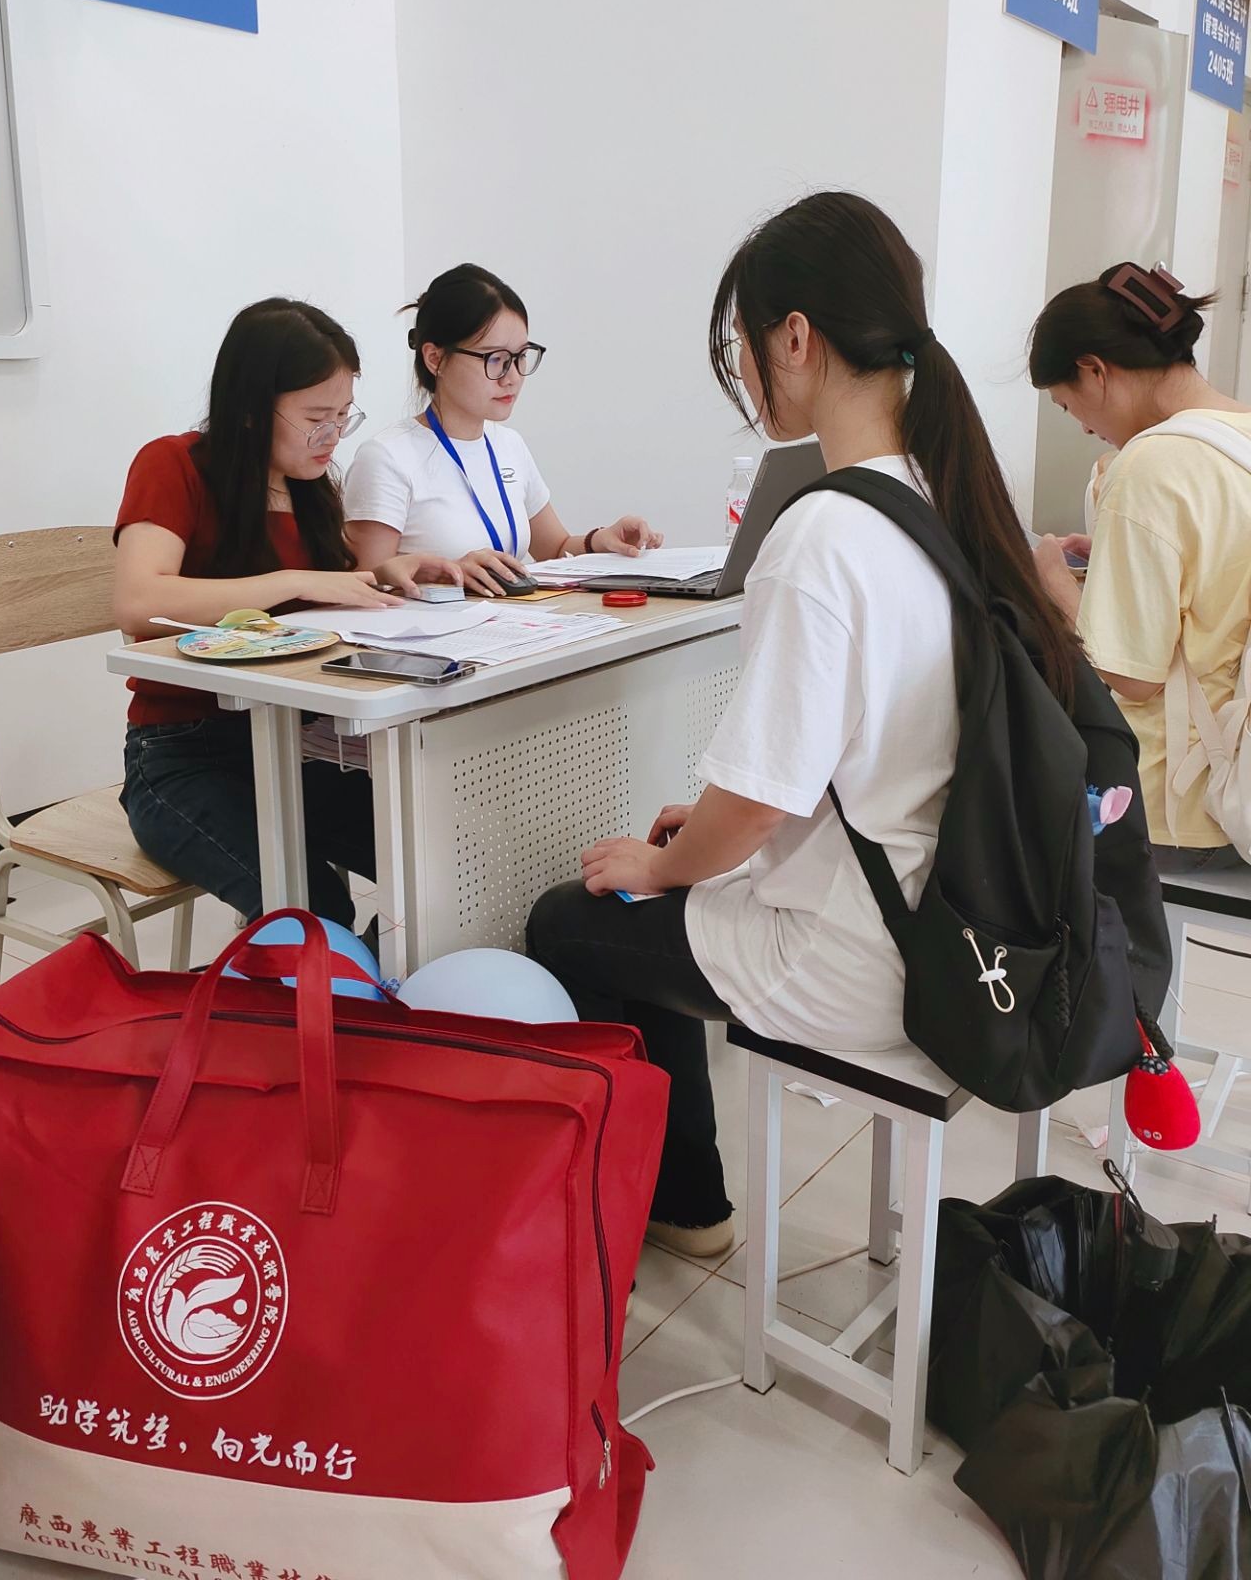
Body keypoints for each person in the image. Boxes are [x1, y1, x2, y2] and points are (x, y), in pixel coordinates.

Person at [527, 192, 1082, 1258]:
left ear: (793, 338)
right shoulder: (944, 491)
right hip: (962, 921)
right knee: (675, 877)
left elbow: (758, 802)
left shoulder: (823, 533)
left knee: (571, 919)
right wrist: (707, 844)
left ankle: (684, 1204)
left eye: (738, 346)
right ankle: (681, 1194)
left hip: (866, 961)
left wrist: (667, 864)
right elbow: (841, 764)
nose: (742, 374)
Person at [113, 298, 457, 928]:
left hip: (296, 746)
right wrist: (291, 581)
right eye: (316, 418)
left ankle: (389, 985)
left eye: (343, 416)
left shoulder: (310, 489)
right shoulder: (174, 465)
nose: (333, 435)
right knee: (315, 910)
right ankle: (326, 986)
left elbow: (323, 607)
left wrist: (386, 572)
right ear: (250, 409)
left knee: (441, 860)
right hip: (182, 758)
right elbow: (139, 603)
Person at [1029, 261, 1251, 871]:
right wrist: (1115, 562)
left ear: (1094, 371)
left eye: (1067, 404)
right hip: (1232, 796)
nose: (1083, 426)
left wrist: (1054, 583)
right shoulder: (1240, 438)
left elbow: (1132, 676)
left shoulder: (1150, 465)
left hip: (1166, 808)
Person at [344, 263, 664, 596]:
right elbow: (367, 586)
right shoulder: (387, 457)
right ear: (435, 359)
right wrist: (449, 573)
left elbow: (554, 549)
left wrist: (599, 540)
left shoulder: (508, 444)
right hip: (434, 629)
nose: (512, 377)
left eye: (521, 356)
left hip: (511, 624)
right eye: (495, 359)